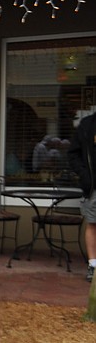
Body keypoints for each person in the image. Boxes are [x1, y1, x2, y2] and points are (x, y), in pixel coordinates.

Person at [68, 111, 96, 281]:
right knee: (93, 224)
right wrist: (85, 175)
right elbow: (73, 154)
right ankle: (93, 265)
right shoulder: (87, 125)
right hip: (94, 188)